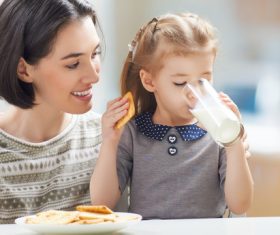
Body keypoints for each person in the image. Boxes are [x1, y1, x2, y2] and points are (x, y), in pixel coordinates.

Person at [90, 12, 254, 219]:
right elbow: (102, 203)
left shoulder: (219, 132)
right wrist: (110, 143)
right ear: (149, 81)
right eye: (180, 83)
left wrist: (234, 144)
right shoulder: (133, 132)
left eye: (204, 80)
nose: (194, 93)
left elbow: (240, 205)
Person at [0, 0, 102, 224]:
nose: (94, 77)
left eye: (95, 54)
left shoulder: (106, 138)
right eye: (73, 64)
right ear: (23, 70)